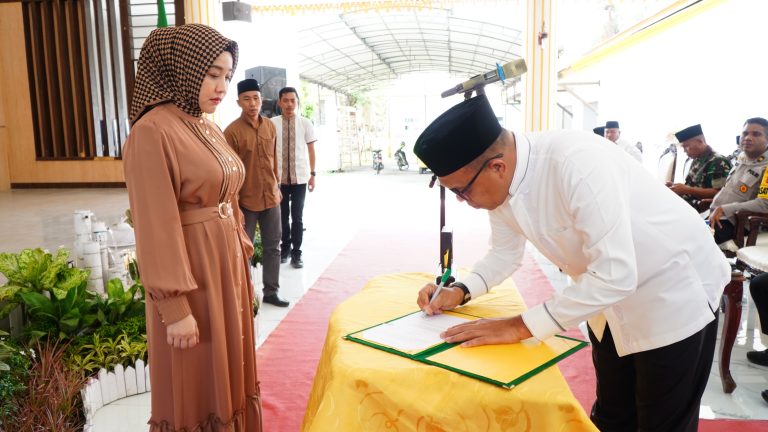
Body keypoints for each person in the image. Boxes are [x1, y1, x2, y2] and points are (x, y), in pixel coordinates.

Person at [414, 94, 730, 432]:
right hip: (604, 299)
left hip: (672, 290)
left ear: (497, 166)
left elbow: (615, 275)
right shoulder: (499, 185)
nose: (464, 202)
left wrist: (519, 326)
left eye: (462, 191)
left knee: (661, 421)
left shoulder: (575, 161)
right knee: (612, 415)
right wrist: (460, 291)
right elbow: (504, 253)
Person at [122, 25, 262, 431]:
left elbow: (229, 197)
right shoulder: (152, 131)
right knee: (199, 379)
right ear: (180, 67)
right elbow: (154, 224)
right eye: (211, 73)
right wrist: (174, 306)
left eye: (226, 76)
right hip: (191, 275)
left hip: (223, 270)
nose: (221, 86)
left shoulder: (206, 124)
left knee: (230, 367)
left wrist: (241, 259)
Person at [224, 79, 289, 307]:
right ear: (239, 102)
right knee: (244, 249)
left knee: (274, 246)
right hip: (245, 201)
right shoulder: (231, 132)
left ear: (262, 100)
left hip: (271, 197)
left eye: (256, 98)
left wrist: (277, 187)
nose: (252, 103)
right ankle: (245, 295)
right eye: (247, 99)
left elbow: (274, 160)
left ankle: (272, 292)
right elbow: (229, 170)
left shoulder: (270, 126)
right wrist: (234, 202)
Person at [271, 87, 317, 269]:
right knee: (282, 217)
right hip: (279, 180)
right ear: (279, 103)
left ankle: (297, 253)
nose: (290, 104)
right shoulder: (271, 123)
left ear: (297, 102)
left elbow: (311, 151)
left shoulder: (305, 123)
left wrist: (313, 175)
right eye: (286, 100)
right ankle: (285, 249)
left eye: (293, 100)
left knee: (297, 217)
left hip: (300, 179)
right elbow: (269, 153)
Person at [709, 117, 768, 250]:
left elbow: (765, 205)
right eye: (745, 133)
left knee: (694, 240)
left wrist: (725, 209)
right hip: (717, 216)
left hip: (738, 223)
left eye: (756, 134)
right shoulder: (741, 159)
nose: (748, 137)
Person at [666, 124, 731, 212]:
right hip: (689, 204)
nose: (684, 150)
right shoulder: (697, 159)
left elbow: (720, 193)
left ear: (700, 141)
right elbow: (693, 186)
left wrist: (686, 189)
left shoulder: (718, 161)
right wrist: (676, 187)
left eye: (686, 146)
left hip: (705, 210)